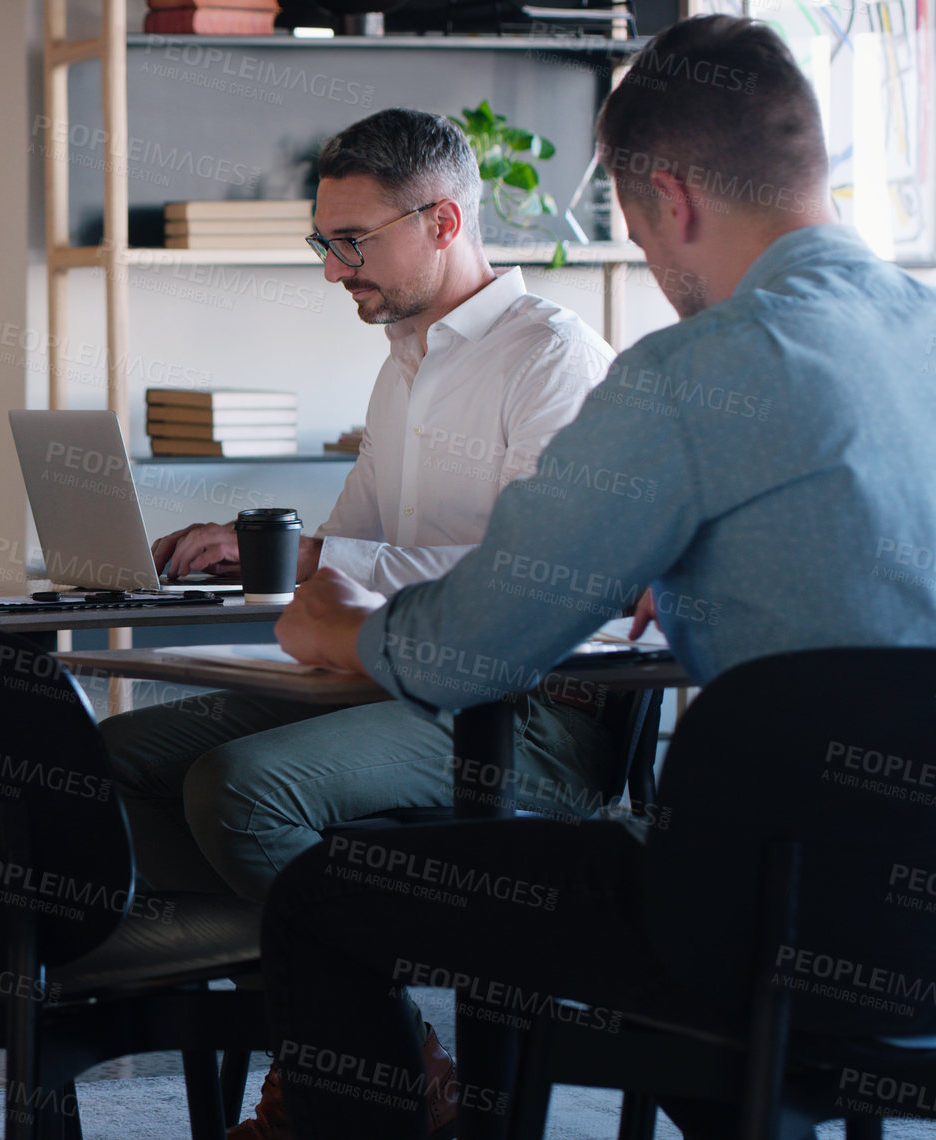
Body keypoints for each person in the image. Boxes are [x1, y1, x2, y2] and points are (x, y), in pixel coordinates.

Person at [261, 15, 936, 1140]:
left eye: (630, 224)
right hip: (903, 928)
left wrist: (344, 632)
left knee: (326, 897)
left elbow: (472, 647)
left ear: (667, 198)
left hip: (771, 921)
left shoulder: (693, 372)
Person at [104, 108, 618, 903]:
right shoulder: (403, 368)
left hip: (531, 719)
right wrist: (255, 558)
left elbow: (536, 582)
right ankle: (286, 983)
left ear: (442, 222)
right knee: (113, 756)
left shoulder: (552, 360)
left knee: (238, 787)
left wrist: (314, 559)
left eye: (353, 242)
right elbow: (346, 554)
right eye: (324, 243)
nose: (332, 271)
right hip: (391, 678)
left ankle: (373, 1020)